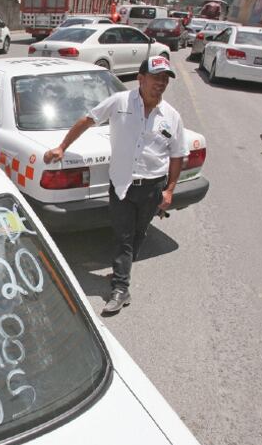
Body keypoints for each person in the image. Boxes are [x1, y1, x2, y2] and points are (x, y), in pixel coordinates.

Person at [43, 56, 188, 315]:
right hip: (122, 183)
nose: (161, 84)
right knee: (123, 236)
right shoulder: (119, 102)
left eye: (165, 79)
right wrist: (62, 147)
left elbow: (177, 155)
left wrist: (169, 190)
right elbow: (88, 119)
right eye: (156, 78)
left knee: (138, 235)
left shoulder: (172, 116)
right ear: (141, 79)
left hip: (152, 187)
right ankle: (121, 288)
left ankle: (122, 271)